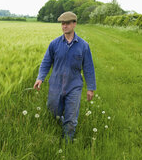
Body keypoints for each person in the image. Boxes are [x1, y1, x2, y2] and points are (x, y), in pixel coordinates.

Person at [33, 11, 96, 142]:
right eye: (62, 24)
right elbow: (46, 62)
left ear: (74, 24)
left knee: (71, 117)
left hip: (74, 86)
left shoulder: (83, 46)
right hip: (55, 85)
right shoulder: (54, 44)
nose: (64, 26)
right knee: (53, 112)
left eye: (67, 23)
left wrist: (90, 88)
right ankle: (59, 128)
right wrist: (40, 78)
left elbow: (88, 67)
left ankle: (67, 143)